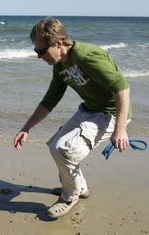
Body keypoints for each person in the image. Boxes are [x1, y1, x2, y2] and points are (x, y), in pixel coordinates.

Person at [13, 17, 131, 218]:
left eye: (41, 51)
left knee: (65, 149)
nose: (39, 56)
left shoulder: (87, 56)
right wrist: (26, 128)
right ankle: (79, 187)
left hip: (110, 113)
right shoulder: (59, 65)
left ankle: (69, 196)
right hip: (89, 109)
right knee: (54, 146)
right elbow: (50, 100)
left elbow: (122, 88)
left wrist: (120, 130)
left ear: (59, 43)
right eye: (36, 51)